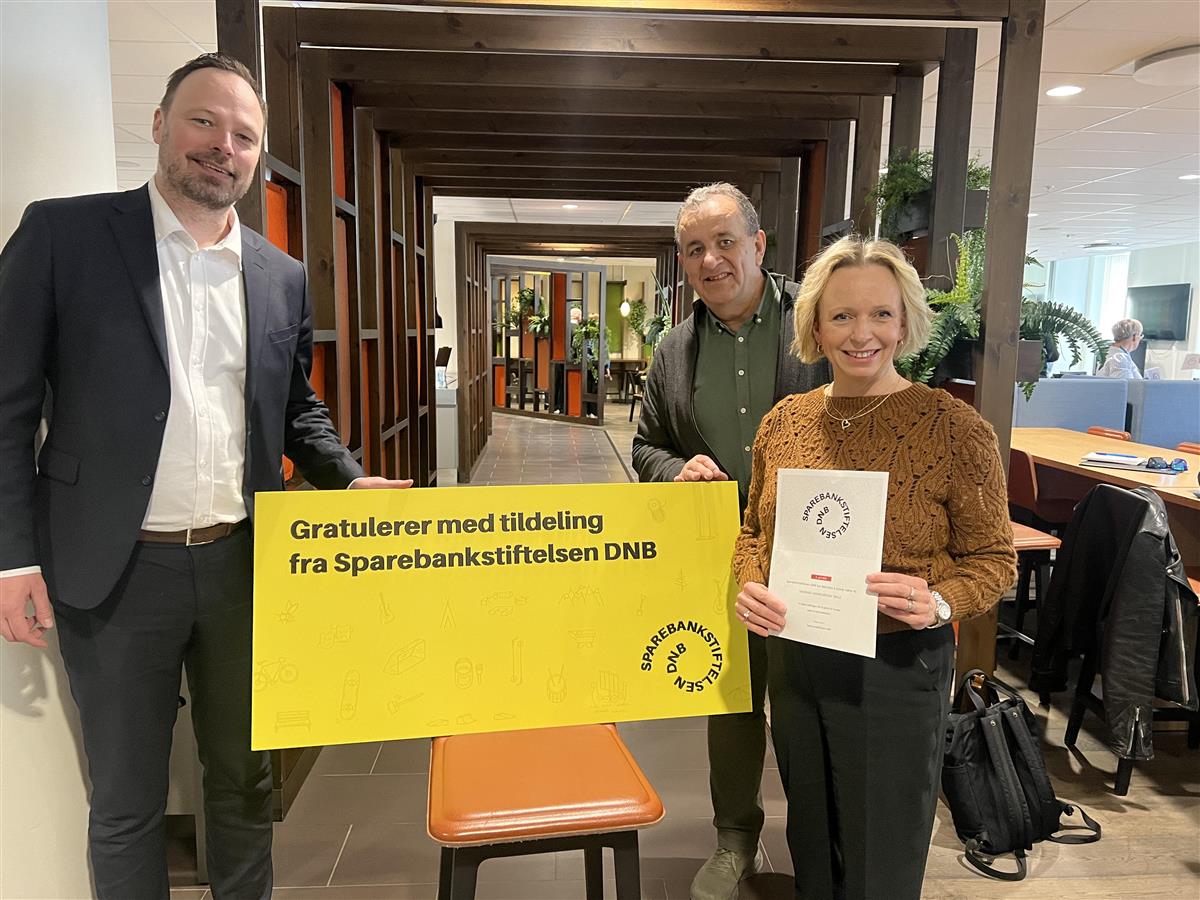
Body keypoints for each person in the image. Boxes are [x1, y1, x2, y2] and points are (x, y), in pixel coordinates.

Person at [0, 53, 409, 899]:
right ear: (159, 123)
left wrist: (345, 479)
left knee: (245, 783)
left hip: (241, 568)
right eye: (204, 121)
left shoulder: (280, 276)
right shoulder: (64, 237)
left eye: (244, 136)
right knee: (126, 800)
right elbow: (6, 407)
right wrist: (12, 560)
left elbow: (294, 409)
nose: (224, 145)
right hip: (112, 574)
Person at [731, 236, 1016, 900]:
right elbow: (752, 533)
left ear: (905, 320)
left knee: (880, 847)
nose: (862, 334)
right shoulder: (784, 423)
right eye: (842, 316)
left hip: (896, 667)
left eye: (880, 314)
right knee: (811, 831)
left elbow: (994, 560)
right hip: (798, 660)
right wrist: (750, 582)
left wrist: (938, 601)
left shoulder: (954, 428)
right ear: (815, 326)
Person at [632, 183, 830, 900]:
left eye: (724, 242)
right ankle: (735, 838)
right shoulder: (674, 350)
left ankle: (821, 844)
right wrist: (676, 468)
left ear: (759, 245)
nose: (710, 260)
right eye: (694, 249)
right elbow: (646, 446)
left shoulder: (818, 325)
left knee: (812, 702)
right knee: (734, 699)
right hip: (723, 556)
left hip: (817, 549)